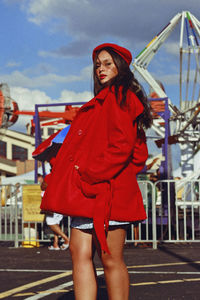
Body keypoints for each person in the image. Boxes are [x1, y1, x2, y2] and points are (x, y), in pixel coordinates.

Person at [41, 43, 152, 299]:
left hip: (109, 190)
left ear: (120, 66)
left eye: (107, 64)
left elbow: (124, 147)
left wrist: (91, 172)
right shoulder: (99, 103)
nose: (101, 69)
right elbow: (75, 149)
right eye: (98, 65)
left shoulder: (122, 97)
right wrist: (58, 176)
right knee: (78, 253)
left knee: (110, 258)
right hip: (87, 190)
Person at [40, 162, 69, 250]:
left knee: (51, 223)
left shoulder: (50, 176)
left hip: (51, 203)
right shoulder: (63, 176)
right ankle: (55, 244)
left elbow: (42, 187)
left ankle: (66, 239)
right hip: (60, 203)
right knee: (56, 224)